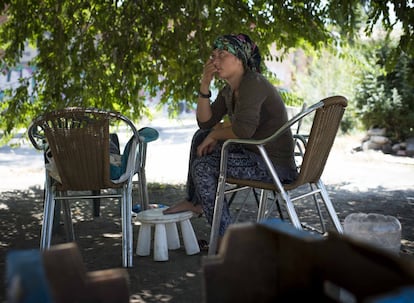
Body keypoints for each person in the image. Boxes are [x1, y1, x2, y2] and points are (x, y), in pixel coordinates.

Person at [163, 33, 298, 243]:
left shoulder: (253, 83)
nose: (214, 61)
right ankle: (195, 202)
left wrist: (216, 134)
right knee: (201, 136)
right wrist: (205, 83)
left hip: (273, 167)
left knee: (203, 167)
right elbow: (205, 123)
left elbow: (243, 130)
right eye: (213, 55)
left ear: (240, 58)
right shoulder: (229, 90)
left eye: (222, 54)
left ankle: (226, 241)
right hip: (255, 157)